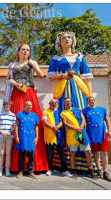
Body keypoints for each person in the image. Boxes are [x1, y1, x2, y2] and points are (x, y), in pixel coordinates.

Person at [46, 31, 95, 172]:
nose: (67, 39)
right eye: (63, 38)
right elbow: (50, 76)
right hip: (63, 91)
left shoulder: (80, 56)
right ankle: (66, 163)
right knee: (63, 120)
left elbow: (87, 78)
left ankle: (86, 164)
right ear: (59, 42)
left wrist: (89, 97)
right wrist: (63, 76)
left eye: (69, 37)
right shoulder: (55, 58)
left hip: (79, 90)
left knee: (79, 119)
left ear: (73, 41)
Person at [0, 43, 48, 172]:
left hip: (29, 92)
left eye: (28, 50)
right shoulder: (12, 65)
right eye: (23, 50)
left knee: (33, 123)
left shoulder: (31, 62)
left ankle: (35, 165)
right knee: (15, 123)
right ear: (18, 52)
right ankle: (13, 165)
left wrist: (34, 64)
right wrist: (11, 82)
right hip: (16, 94)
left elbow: (41, 75)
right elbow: (6, 80)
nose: (25, 52)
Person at [60, 98, 97, 179]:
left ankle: (91, 171)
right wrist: (75, 128)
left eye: (69, 101)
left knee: (88, 151)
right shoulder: (63, 113)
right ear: (64, 103)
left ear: (71, 102)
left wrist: (81, 127)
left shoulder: (77, 110)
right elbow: (65, 124)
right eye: (67, 101)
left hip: (81, 133)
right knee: (72, 153)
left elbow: (83, 118)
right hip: (72, 134)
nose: (68, 102)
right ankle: (74, 170)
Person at [83, 96, 111, 182]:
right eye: (89, 100)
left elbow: (107, 120)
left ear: (94, 101)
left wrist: (110, 130)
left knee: (104, 152)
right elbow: (81, 121)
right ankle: (99, 170)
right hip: (92, 134)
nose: (91, 101)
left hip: (103, 133)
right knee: (95, 152)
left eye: (92, 100)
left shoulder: (102, 109)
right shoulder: (84, 111)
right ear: (87, 102)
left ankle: (105, 172)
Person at [42, 99, 72, 177]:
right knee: (50, 154)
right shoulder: (45, 111)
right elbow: (44, 121)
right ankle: (50, 169)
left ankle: (65, 170)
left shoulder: (59, 112)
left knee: (62, 154)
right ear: (49, 103)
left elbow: (61, 121)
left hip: (58, 136)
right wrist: (53, 127)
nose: (54, 104)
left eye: (55, 103)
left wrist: (57, 127)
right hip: (49, 136)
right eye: (52, 102)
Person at [15, 101, 40, 179]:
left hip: (31, 138)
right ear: (25, 106)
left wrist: (37, 137)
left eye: (30, 105)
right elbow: (16, 125)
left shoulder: (34, 115)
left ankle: (30, 172)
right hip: (22, 138)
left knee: (31, 156)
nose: (29, 106)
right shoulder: (20, 114)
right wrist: (16, 136)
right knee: (21, 156)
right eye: (28, 105)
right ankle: (20, 171)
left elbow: (36, 127)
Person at [0, 100, 16, 177]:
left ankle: (7, 169)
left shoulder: (13, 115)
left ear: (10, 106)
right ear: (4, 105)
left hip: (9, 136)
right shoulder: (0, 114)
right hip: (1, 136)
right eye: (6, 104)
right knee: (1, 153)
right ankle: (0, 169)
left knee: (8, 153)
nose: (7, 105)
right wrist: (1, 132)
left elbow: (14, 126)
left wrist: (10, 132)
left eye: (9, 104)